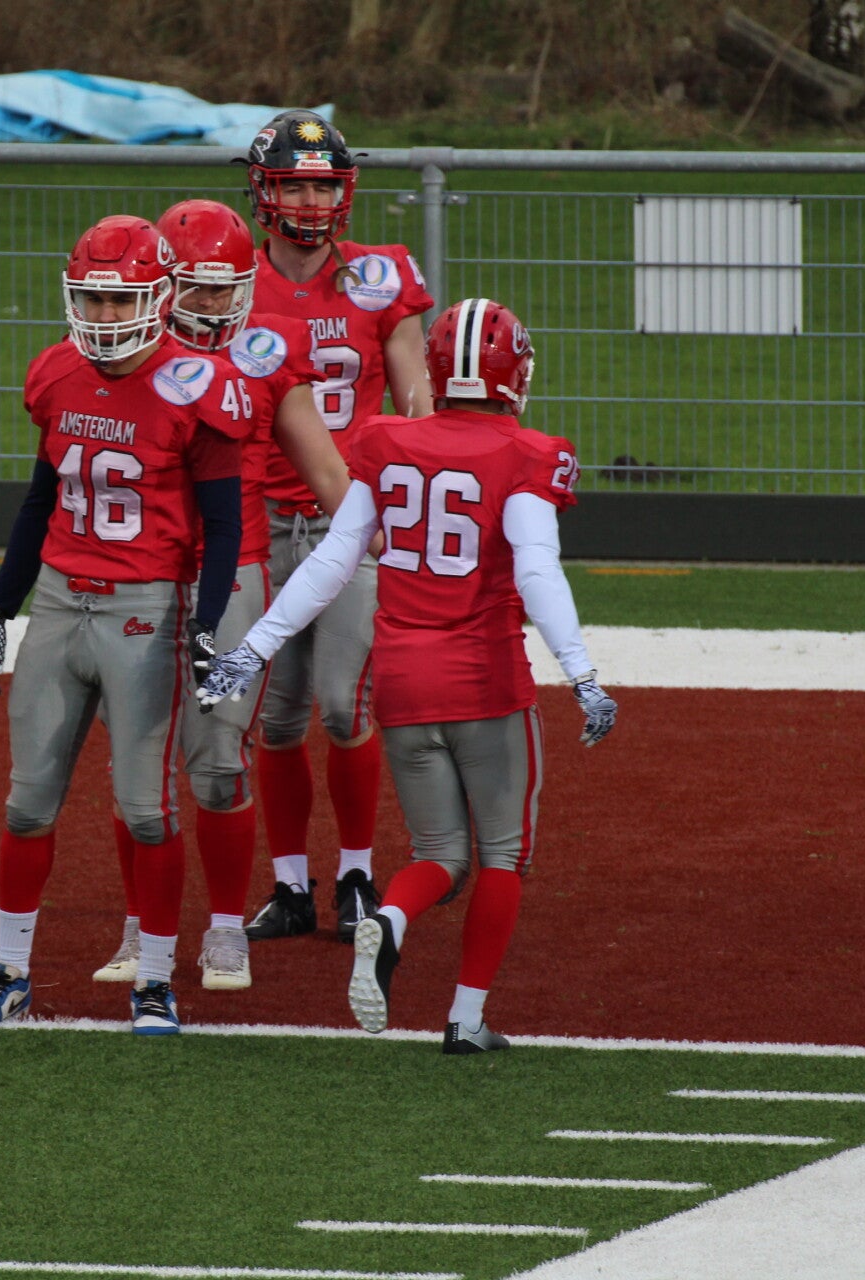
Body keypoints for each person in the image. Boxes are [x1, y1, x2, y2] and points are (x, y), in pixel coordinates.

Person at [197, 298, 619, 1053]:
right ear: (515, 374)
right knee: (502, 855)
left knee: (437, 857)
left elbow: (334, 559)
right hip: (486, 682)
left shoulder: (387, 438)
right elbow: (536, 569)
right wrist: (583, 675)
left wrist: (253, 649)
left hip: (400, 682)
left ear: (436, 368)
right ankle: (466, 1018)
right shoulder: (529, 453)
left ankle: (389, 919)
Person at [0, 213, 251, 1036]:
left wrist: (206, 624)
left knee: (147, 809)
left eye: (120, 302)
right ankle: (10, 972)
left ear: (160, 298)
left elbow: (224, 525)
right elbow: (37, 502)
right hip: (58, 601)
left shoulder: (198, 384)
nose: (105, 316)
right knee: (27, 804)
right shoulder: (56, 371)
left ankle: (154, 980)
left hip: (145, 609)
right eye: (92, 299)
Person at [91, 198, 355, 993]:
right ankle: (140, 925)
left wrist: (393, 549)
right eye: (194, 286)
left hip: (233, 573)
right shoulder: (120, 351)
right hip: (139, 575)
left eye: (223, 287)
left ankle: (227, 930)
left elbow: (327, 471)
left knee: (217, 762)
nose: (208, 304)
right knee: (137, 764)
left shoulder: (268, 353)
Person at [238, 109, 435, 947]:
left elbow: (417, 398)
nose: (312, 203)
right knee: (276, 720)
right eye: (295, 186)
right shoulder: (228, 281)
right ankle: (291, 885)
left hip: (352, 525)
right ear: (263, 191)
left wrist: (419, 499)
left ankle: (356, 871)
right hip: (259, 519)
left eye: (324, 186)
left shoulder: (380, 277)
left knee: (344, 707)